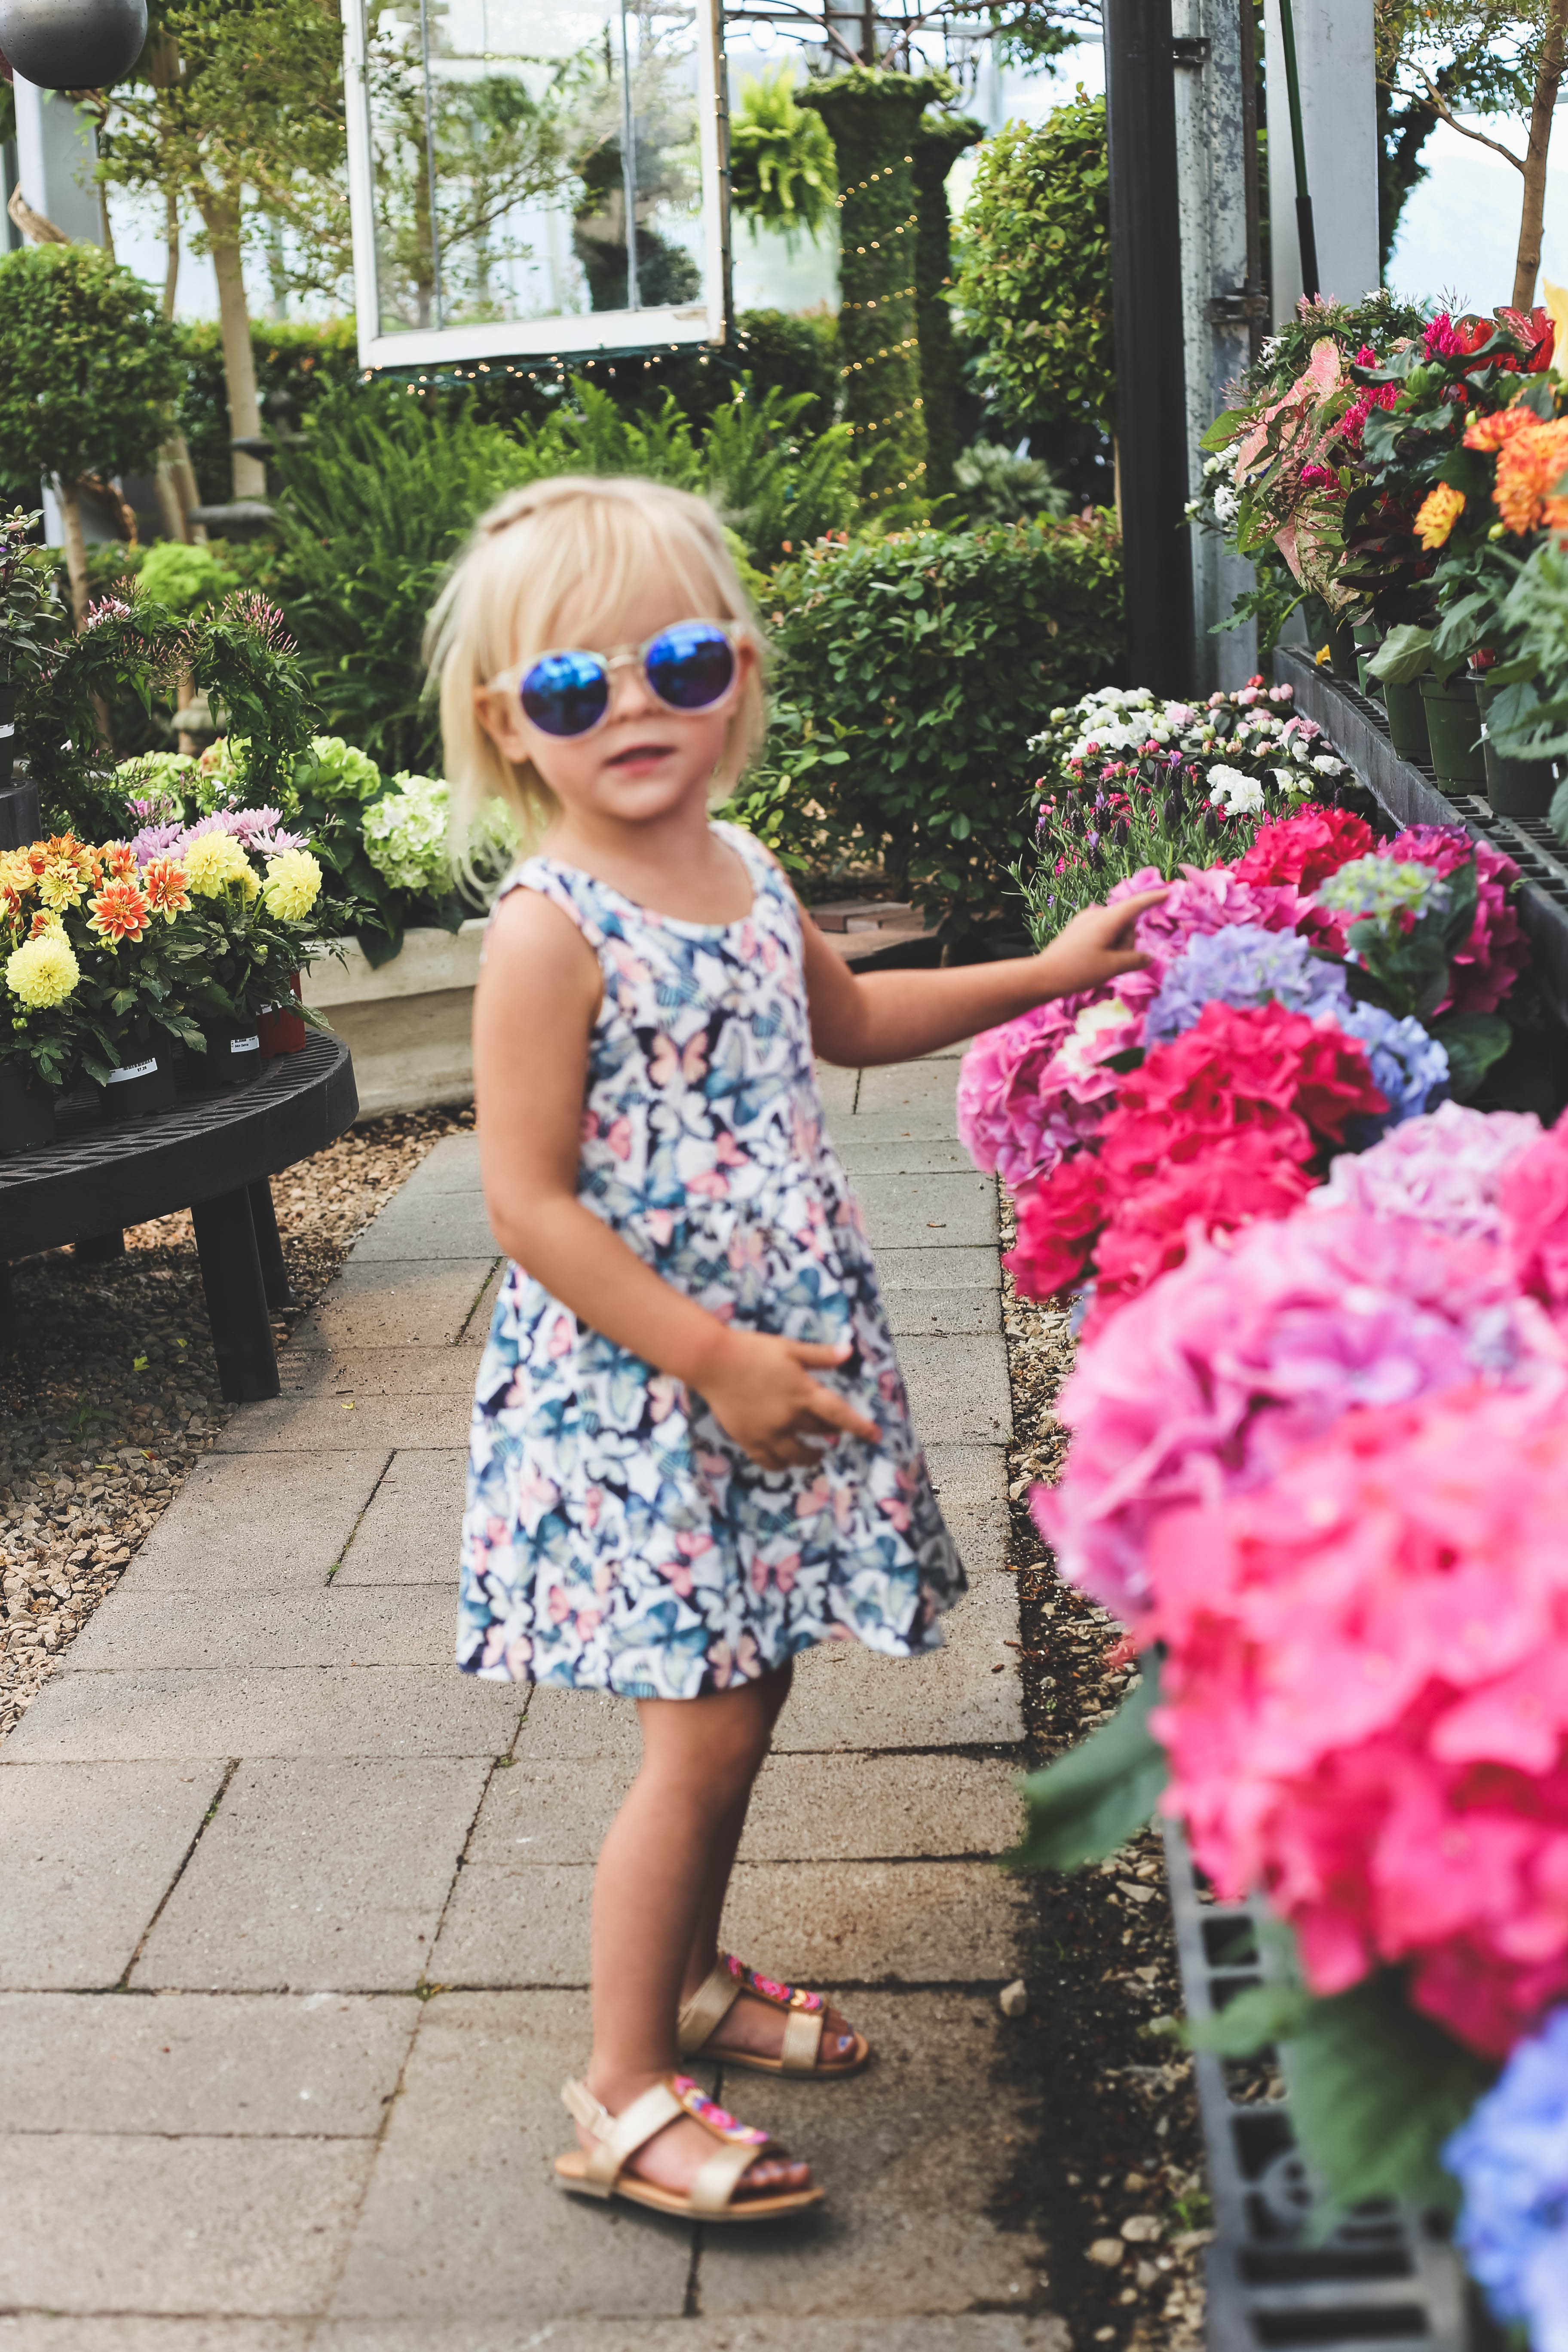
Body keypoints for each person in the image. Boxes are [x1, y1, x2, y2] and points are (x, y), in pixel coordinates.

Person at [429, 474, 1163, 2224]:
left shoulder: (744, 870)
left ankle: (686, 1990)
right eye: (568, 686)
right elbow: (528, 1204)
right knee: (696, 1736)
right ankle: (620, 2093)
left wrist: (1047, 973)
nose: (630, 708)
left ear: (737, 675)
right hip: (651, 1399)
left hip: (766, 1373)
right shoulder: (551, 928)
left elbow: (850, 1018)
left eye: (675, 662)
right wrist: (712, 1357)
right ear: (504, 726)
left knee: (744, 1712)